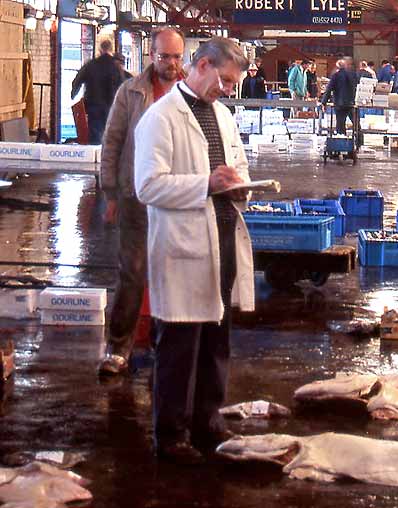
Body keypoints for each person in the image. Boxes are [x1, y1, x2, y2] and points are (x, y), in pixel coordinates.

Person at [134, 36, 254, 465]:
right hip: (182, 248)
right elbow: (147, 186)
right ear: (200, 65)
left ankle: (209, 420)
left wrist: (241, 185)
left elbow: (236, 167)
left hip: (221, 242)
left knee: (216, 340)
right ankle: (170, 436)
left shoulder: (223, 115)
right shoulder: (160, 118)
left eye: (232, 84)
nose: (228, 90)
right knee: (179, 346)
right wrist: (205, 184)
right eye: (223, 80)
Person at [97, 28, 186, 377]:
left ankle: (170, 349)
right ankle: (119, 347)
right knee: (132, 273)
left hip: (177, 199)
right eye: (165, 56)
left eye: (177, 56)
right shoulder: (130, 92)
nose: (171, 63)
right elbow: (112, 142)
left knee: (174, 274)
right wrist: (110, 193)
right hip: (136, 197)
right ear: (152, 55)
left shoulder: (191, 93)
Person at [71, 39, 124, 144]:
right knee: (109, 132)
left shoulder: (91, 65)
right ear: (111, 49)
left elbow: (78, 79)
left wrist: (73, 93)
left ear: (100, 49)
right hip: (110, 105)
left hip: (93, 104)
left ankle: (95, 156)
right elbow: (122, 86)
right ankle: (107, 155)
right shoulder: (115, 67)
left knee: (95, 132)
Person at [321, 57, 357, 135]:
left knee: (340, 124)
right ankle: (359, 141)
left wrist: (323, 102)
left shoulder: (335, 76)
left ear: (337, 66)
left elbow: (328, 90)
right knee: (356, 123)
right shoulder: (352, 75)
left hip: (339, 104)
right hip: (351, 103)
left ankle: (341, 141)